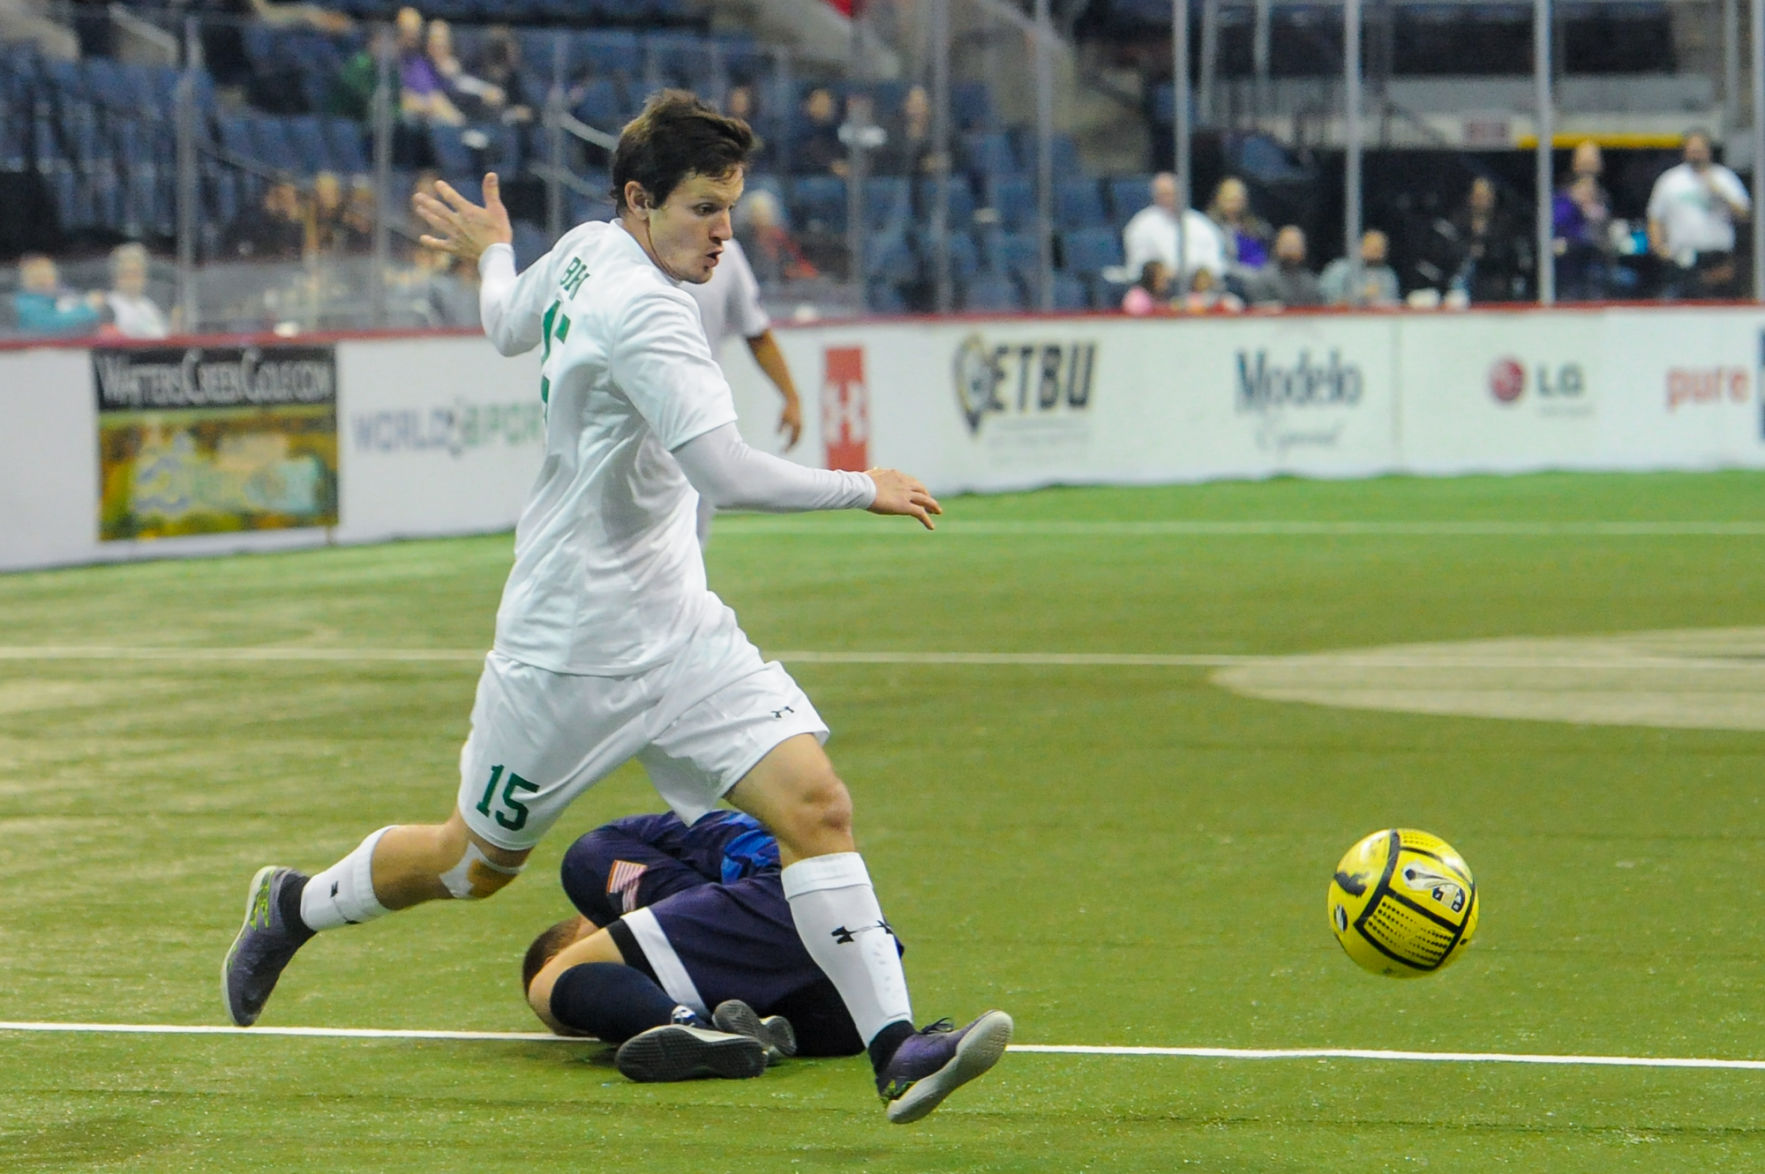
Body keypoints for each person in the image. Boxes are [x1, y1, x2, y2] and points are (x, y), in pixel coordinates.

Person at [222, 89, 1011, 1125]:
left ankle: (898, 1048)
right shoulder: (646, 310)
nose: (724, 234)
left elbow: (506, 323)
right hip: (567, 650)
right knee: (469, 865)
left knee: (817, 807)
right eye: (701, 210)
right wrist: (862, 484)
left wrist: (497, 250)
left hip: (680, 629)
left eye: (730, 208)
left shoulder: (593, 244)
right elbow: (725, 474)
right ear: (640, 200)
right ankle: (294, 903)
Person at [522, 810, 875, 1080]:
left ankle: (694, 1029)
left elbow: (705, 905)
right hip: (848, 985)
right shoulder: (703, 940)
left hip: (782, 897)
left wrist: (575, 984)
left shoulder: (603, 854)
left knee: (549, 984)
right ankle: (745, 1033)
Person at [681, 234, 805, 546]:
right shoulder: (621, 250)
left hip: (700, 420)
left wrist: (791, 397)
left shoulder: (726, 252)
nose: (723, 224)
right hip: (637, 418)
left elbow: (757, 332)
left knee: (692, 543)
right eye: (707, 207)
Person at [1647, 129, 1751, 299]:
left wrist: (1719, 192)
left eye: (1699, 149)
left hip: (1717, 259)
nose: (1696, 154)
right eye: (1692, 149)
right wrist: (1659, 248)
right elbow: (1656, 216)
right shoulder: (1670, 180)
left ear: (1708, 150)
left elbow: (1744, 214)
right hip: (1682, 259)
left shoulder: (1724, 178)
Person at [1120, 172, 1228, 286]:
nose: (1170, 198)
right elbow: (1139, 264)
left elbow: (1215, 261)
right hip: (1161, 288)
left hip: (1201, 286)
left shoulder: (1201, 224)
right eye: (1164, 194)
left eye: (1174, 193)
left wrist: (1202, 275)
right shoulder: (1140, 225)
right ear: (1155, 196)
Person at [1444, 177, 1528, 303]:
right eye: (1478, 196)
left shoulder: (1504, 223)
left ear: (1493, 197)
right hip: (1460, 284)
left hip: (1494, 282)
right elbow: (1449, 247)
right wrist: (1468, 250)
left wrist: (1486, 251)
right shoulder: (1459, 220)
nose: (1481, 201)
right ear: (1471, 197)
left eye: (1485, 196)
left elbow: (1508, 252)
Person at [1552, 140, 1614, 302]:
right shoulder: (1563, 197)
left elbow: (1606, 230)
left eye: (1593, 160)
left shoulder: (1603, 196)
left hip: (1598, 268)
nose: (1589, 165)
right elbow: (1557, 228)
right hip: (1570, 269)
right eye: (1584, 160)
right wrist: (1575, 205)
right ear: (1575, 164)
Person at [395, 6, 465, 126]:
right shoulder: (390, 59)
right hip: (400, 118)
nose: (413, 36)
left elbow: (433, 93)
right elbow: (401, 97)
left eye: (416, 31)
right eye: (408, 31)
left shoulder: (419, 61)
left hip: (429, 117)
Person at [735, 190, 818, 284]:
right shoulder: (741, 246)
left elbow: (808, 272)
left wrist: (792, 272)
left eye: (766, 221)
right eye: (757, 224)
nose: (764, 230)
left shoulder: (780, 240)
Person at [11, 253, 103, 336]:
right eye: (42, 277)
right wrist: (89, 307)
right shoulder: (26, 304)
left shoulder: (56, 298)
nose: (51, 281)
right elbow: (53, 324)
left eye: (51, 276)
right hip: (38, 351)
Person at [1243, 225, 1322, 308]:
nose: (1291, 249)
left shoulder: (1310, 282)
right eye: (1287, 244)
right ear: (1276, 247)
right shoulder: (1262, 279)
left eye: (1295, 245)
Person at [103, 243, 172, 339]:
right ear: (116, 277)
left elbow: (162, 336)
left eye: (137, 273)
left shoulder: (148, 307)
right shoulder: (107, 306)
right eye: (127, 273)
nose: (132, 280)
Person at [1320, 229, 1401, 307]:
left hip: (1377, 319)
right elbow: (1327, 302)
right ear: (1360, 247)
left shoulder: (1387, 275)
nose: (1378, 254)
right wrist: (1359, 296)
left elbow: (1392, 303)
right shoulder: (1339, 269)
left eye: (1381, 249)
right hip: (1342, 318)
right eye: (1374, 249)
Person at [1205, 176, 1271, 273]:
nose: (1235, 206)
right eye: (1230, 201)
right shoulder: (1209, 227)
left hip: (1263, 276)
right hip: (1234, 278)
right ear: (1219, 200)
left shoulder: (1257, 226)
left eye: (1238, 201)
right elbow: (1221, 263)